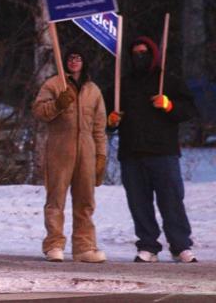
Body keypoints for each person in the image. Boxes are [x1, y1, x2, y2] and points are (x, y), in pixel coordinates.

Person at [104, 36, 198, 263]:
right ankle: (148, 245)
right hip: (132, 153)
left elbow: (189, 110)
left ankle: (180, 245)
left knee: (171, 200)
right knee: (138, 203)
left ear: (154, 54)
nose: (140, 57)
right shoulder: (121, 84)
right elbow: (103, 118)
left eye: (144, 52)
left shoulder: (168, 81)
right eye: (136, 53)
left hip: (163, 152)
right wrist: (111, 120)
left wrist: (169, 105)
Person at [32, 49, 107, 263]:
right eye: (71, 58)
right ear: (64, 61)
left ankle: (84, 247)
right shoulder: (54, 85)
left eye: (79, 57)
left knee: (85, 200)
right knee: (56, 198)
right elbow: (38, 111)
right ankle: (54, 244)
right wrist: (57, 105)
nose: (74, 61)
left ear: (84, 62)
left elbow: (99, 127)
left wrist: (100, 154)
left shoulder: (93, 90)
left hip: (87, 150)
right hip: (59, 148)